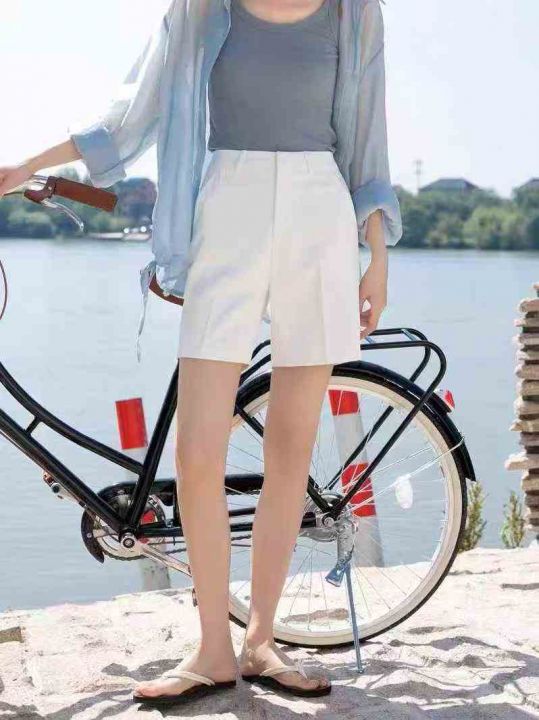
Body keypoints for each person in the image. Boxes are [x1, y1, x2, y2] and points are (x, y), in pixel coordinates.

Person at [0, 0, 402, 705]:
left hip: (320, 216)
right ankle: (213, 646)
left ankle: (262, 639)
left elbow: (368, 144)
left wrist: (377, 259)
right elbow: (130, 117)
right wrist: (25, 165)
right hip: (226, 211)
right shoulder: (200, 9)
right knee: (196, 449)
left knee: (291, 445)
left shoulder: (352, 12)